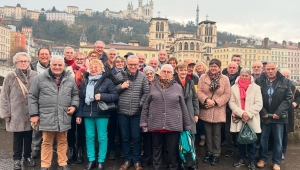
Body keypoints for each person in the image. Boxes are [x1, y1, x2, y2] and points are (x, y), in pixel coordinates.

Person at [28, 55, 79, 170]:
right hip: (46, 115)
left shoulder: (69, 78)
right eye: (55, 64)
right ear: (50, 65)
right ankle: (45, 165)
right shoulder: (40, 78)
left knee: (62, 141)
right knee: (46, 142)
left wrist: (74, 106)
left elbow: (75, 94)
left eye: (60, 65)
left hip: (64, 115)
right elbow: (32, 96)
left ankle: (63, 162)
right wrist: (34, 114)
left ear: (64, 66)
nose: (57, 67)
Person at [140, 64, 191, 170]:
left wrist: (187, 125)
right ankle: (157, 167)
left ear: (172, 74)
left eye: (169, 72)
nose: (166, 74)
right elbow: (146, 106)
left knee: (172, 150)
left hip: (173, 123)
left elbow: (183, 107)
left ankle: (173, 167)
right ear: (160, 73)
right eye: (164, 71)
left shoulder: (177, 87)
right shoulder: (153, 86)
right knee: (156, 148)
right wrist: (144, 122)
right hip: (156, 123)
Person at [76, 59, 119, 170]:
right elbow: (81, 99)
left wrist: (102, 96)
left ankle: (101, 161)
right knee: (89, 137)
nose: (94, 69)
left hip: (102, 113)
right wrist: (79, 115)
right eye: (92, 66)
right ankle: (91, 160)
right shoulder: (85, 81)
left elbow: (115, 96)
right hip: (87, 114)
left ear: (101, 69)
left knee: (102, 137)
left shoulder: (107, 81)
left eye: (96, 67)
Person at [0, 52, 38, 169]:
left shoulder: (35, 75)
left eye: (25, 61)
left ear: (29, 62)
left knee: (29, 136)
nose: (23, 63)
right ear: (16, 63)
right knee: (17, 138)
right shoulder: (10, 76)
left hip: (30, 112)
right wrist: (5, 113)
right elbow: (4, 95)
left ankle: (27, 156)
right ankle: (16, 159)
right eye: (20, 61)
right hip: (16, 112)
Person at [115, 55, 149, 170]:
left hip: (137, 113)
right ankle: (127, 160)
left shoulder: (143, 76)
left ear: (138, 65)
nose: (133, 66)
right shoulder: (120, 75)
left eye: (135, 64)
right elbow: (112, 90)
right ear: (127, 65)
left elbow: (146, 92)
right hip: (122, 112)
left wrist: (140, 103)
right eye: (130, 64)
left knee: (137, 137)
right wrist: (121, 86)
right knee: (124, 137)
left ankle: (137, 161)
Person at [255, 62, 292, 170]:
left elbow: (288, 98)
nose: (270, 71)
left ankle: (276, 162)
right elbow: (256, 98)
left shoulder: (286, 81)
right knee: (263, 139)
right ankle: (263, 159)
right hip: (265, 116)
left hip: (278, 117)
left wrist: (279, 112)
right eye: (268, 69)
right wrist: (263, 112)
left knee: (278, 140)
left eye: (273, 69)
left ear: (276, 69)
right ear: (265, 70)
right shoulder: (259, 81)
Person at [198, 59, 231, 166]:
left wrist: (216, 102)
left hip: (218, 109)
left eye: (215, 66)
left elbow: (227, 94)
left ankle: (216, 154)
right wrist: (207, 100)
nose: (213, 68)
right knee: (207, 133)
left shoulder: (224, 79)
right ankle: (209, 152)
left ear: (219, 67)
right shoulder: (203, 77)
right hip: (206, 108)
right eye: (211, 66)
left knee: (217, 134)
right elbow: (199, 91)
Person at [228, 68, 263, 170]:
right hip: (239, 117)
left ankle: (251, 160)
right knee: (240, 140)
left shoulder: (256, 88)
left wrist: (248, 114)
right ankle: (241, 158)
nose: (244, 77)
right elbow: (232, 103)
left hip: (251, 118)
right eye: (242, 75)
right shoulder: (234, 87)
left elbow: (259, 104)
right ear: (239, 75)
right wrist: (242, 113)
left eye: (246, 76)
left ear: (249, 76)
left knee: (252, 141)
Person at [174, 62, 199, 170]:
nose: (183, 72)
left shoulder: (191, 82)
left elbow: (195, 98)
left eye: (185, 70)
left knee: (190, 138)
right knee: (177, 139)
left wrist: (196, 113)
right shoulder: (173, 82)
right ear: (177, 71)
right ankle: (180, 162)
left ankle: (191, 161)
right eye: (181, 70)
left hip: (189, 113)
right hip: (176, 114)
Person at [65, 52, 88, 164]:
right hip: (70, 102)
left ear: (85, 60)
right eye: (77, 59)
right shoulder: (68, 70)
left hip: (84, 103)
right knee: (71, 128)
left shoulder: (88, 71)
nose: (79, 60)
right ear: (74, 59)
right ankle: (71, 150)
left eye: (82, 59)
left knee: (81, 128)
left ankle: (80, 150)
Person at [30, 47, 52, 159]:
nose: (44, 56)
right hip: (37, 99)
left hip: (51, 100)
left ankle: (51, 148)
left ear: (50, 56)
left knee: (51, 125)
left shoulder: (54, 66)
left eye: (46, 54)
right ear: (38, 55)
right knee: (37, 126)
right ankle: (37, 147)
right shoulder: (32, 66)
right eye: (42, 54)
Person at [107, 55, 126, 160]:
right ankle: (112, 149)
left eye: (122, 61)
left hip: (124, 104)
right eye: (117, 62)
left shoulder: (127, 73)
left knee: (123, 129)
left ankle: (123, 148)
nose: (120, 63)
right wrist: (120, 87)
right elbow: (109, 89)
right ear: (114, 63)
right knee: (112, 128)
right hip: (112, 105)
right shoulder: (110, 74)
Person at [281, 69, 300, 159]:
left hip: (288, 113)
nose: (285, 77)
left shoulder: (293, 87)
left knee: (285, 133)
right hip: (278, 113)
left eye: (287, 76)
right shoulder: (277, 85)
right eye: (284, 76)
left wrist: (296, 102)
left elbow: (298, 96)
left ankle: (283, 151)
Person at [141, 66, 156, 167]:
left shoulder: (158, 84)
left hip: (155, 115)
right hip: (145, 113)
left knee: (155, 138)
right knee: (146, 138)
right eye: (147, 74)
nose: (149, 76)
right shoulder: (142, 85)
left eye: (151, 73)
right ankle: (146, 158)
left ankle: (154, 159)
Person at [224, 62, 239, 157]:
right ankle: (229, 148)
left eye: (234, 68)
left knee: (238, 129)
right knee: (227, 129)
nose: (232, 69)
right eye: (230, 67)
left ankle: (238, 147)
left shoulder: (240, 78)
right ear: (227, 69)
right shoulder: (224, 78)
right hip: (226, 108)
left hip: (237, 108)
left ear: (237, 69)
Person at [193, 61, 207, 146]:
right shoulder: (194, 76)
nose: (199, 67)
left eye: (201, 65)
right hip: (196, 101)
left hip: (203, 102)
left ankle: (203, 138)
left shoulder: (207, 76)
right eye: (197, 66)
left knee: (202, 122)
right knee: (197, 122)